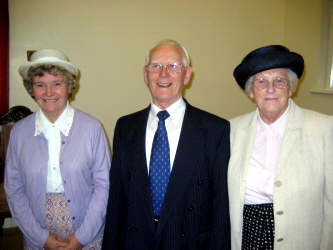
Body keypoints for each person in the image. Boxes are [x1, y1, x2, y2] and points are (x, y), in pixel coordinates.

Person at [102, 39, 231, 250]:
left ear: (187, 75)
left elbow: (220, 207)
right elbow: (116, 199)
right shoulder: (125, 127)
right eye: (156, 66)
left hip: (189, 243)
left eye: (173, 66)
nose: (163, 74)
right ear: (145, 75)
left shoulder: (215, 130)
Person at [228, 45, 333, 250]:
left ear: (291, 87)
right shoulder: (231, 129)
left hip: (300, 240)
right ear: (251, 91)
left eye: (279, 81)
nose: (270, 89)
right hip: (245, 237)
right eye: (261, 81)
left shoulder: (324, 128)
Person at [5, 49, 111, 249]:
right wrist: (41, 238)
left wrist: (81, 237)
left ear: (69, 86)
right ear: (31, 88)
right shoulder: (18, 133)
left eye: (57, 83)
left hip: (88, 234)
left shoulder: (92, 128)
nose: (48, 92)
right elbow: (14, 189)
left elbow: (103, 186)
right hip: (37, 237)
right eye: (40, 85)